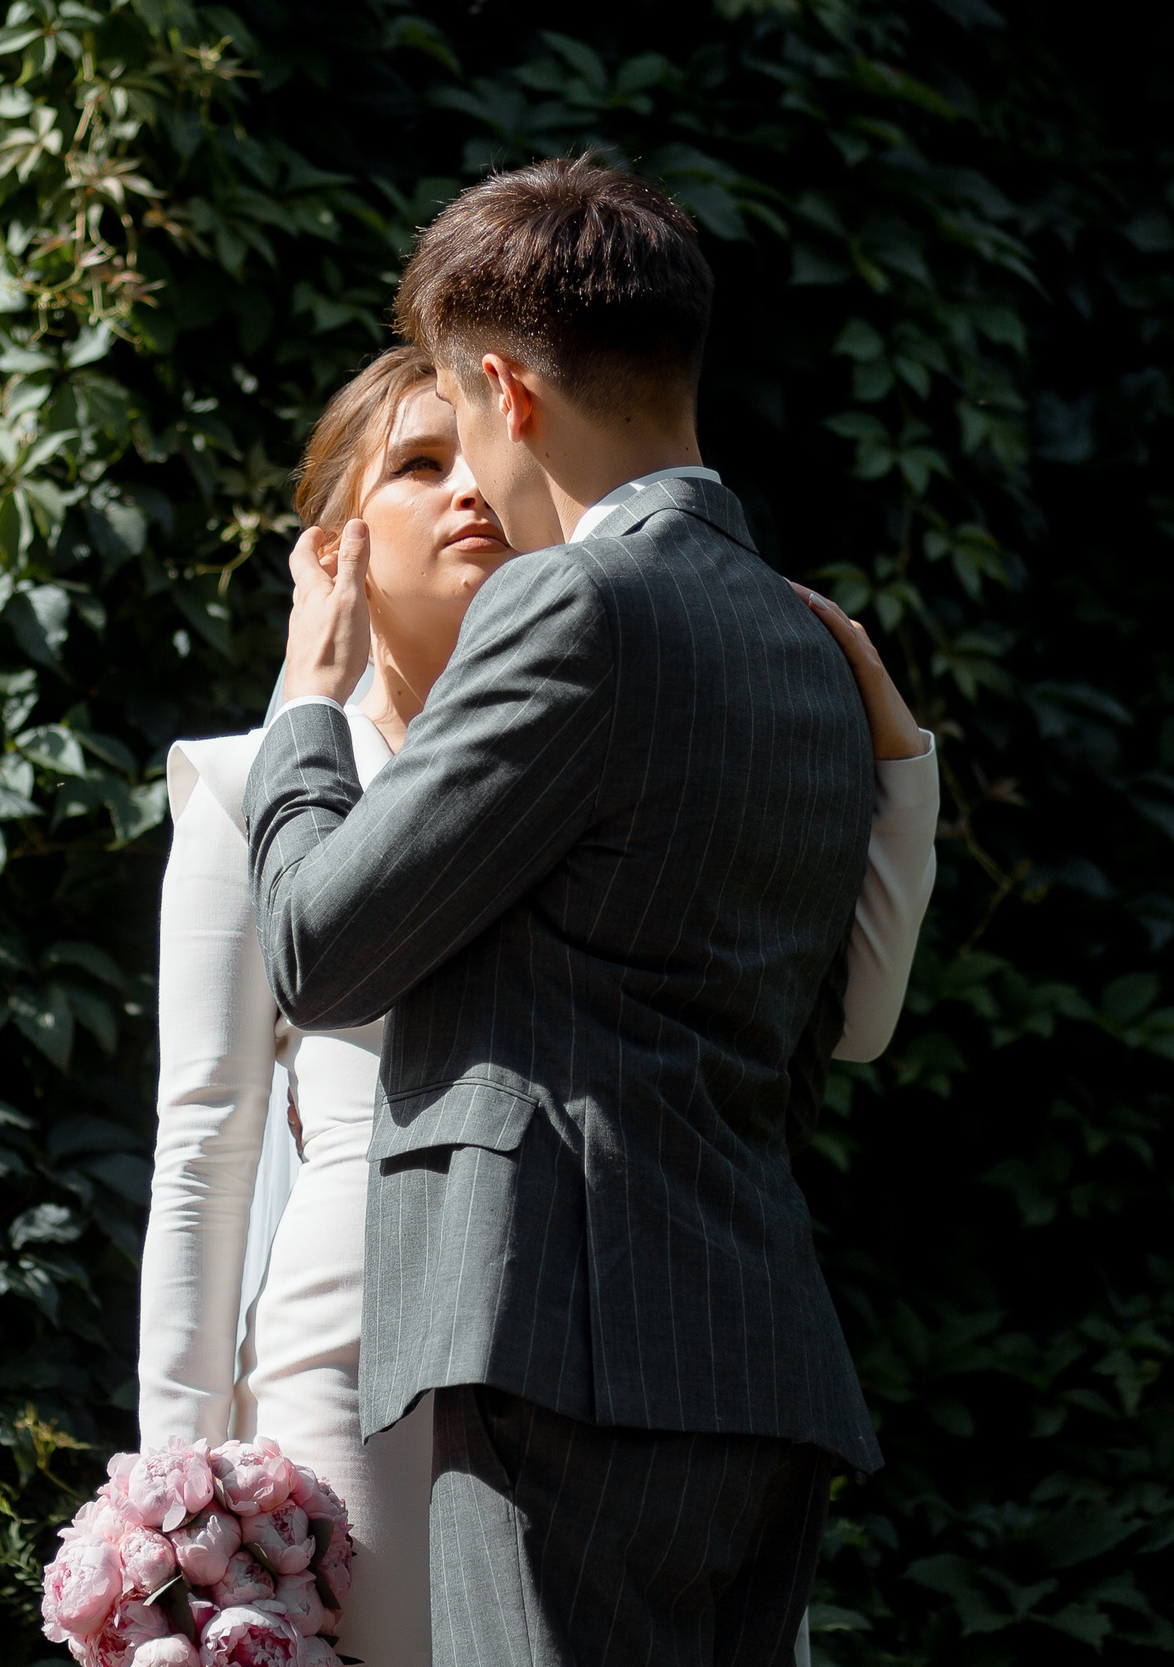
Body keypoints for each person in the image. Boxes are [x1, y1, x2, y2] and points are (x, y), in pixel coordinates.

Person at [146, 322, 937, 1659]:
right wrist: (171, 1500)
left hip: (633, 1348)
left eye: (481, 452)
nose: (469, 487)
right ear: (329, 546)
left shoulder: (623, 725)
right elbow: (204, 1146)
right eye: (414, 465)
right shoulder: (243, 789)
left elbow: (849, 1019)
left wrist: (896, 769)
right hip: (349, 1356)